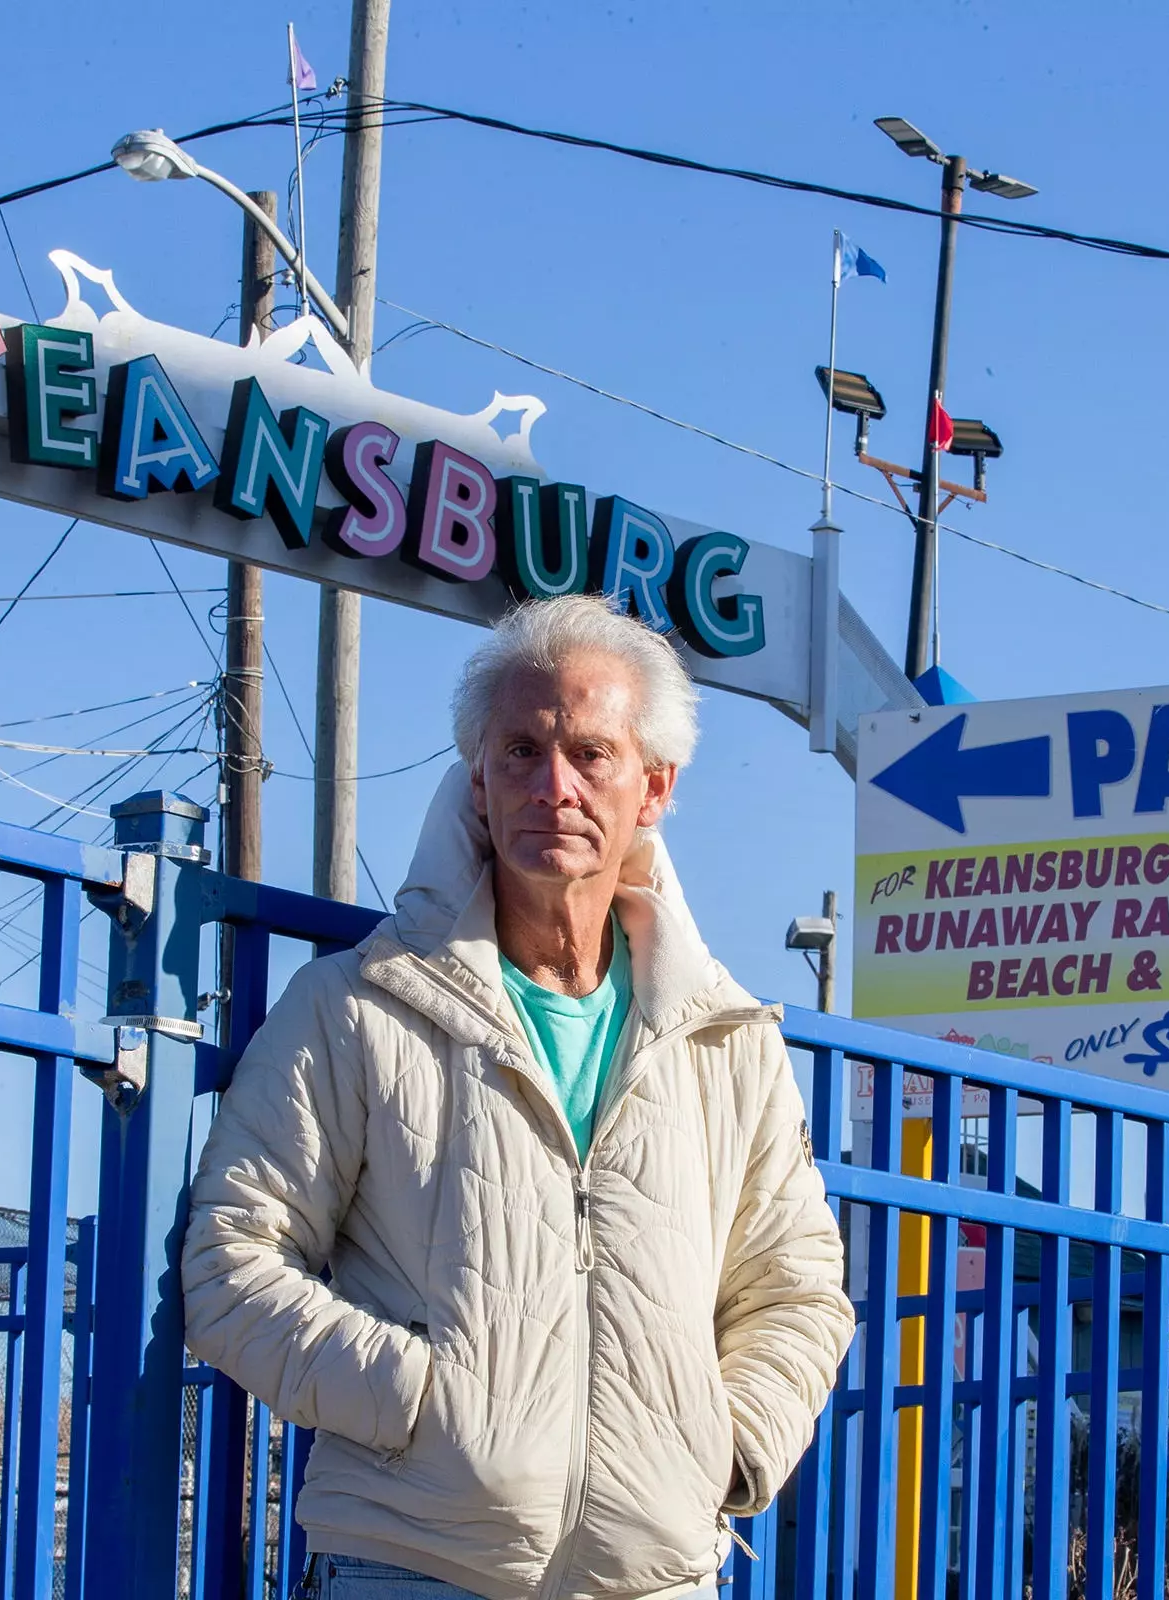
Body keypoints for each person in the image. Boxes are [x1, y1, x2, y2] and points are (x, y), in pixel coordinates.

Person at [181, 594, 855, 1600]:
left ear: (654, 786)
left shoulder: (727, 1042)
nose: (554, 785)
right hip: (412, 1566)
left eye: (591, 753)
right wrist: (422, 1404)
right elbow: (230, 1264)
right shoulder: (357, 1006)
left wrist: (726, 1440)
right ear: (480, 783)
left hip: (658, 1577)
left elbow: (796, 1290)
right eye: (520, 752)